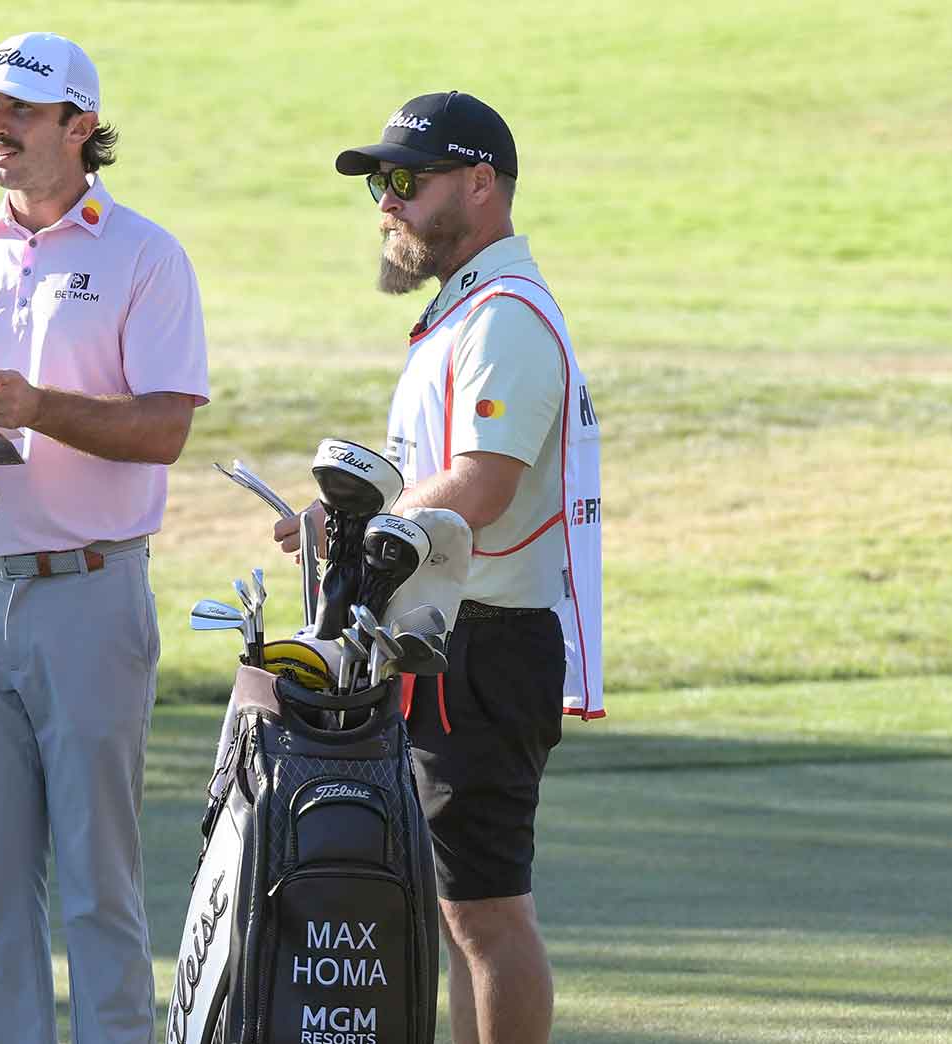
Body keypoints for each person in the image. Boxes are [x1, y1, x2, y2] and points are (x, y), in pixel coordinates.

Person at [0, 31, 210, 1044]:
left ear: (79, 125)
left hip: (88, 595)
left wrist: (37, 408)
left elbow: (163, 427)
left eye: (19, 110)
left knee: (99, 884)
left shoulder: (144, 256)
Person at [274, 91, 602, 1044]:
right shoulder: (467, 310)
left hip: (484, 647)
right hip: (451, 641)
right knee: (462, 916)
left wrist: (362, 528)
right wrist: (352, 521)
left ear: (481, 184)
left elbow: (481, 484)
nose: (387, 200)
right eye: (381, 182)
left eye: (407, 180)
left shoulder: (505, 316)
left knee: (486, 915)